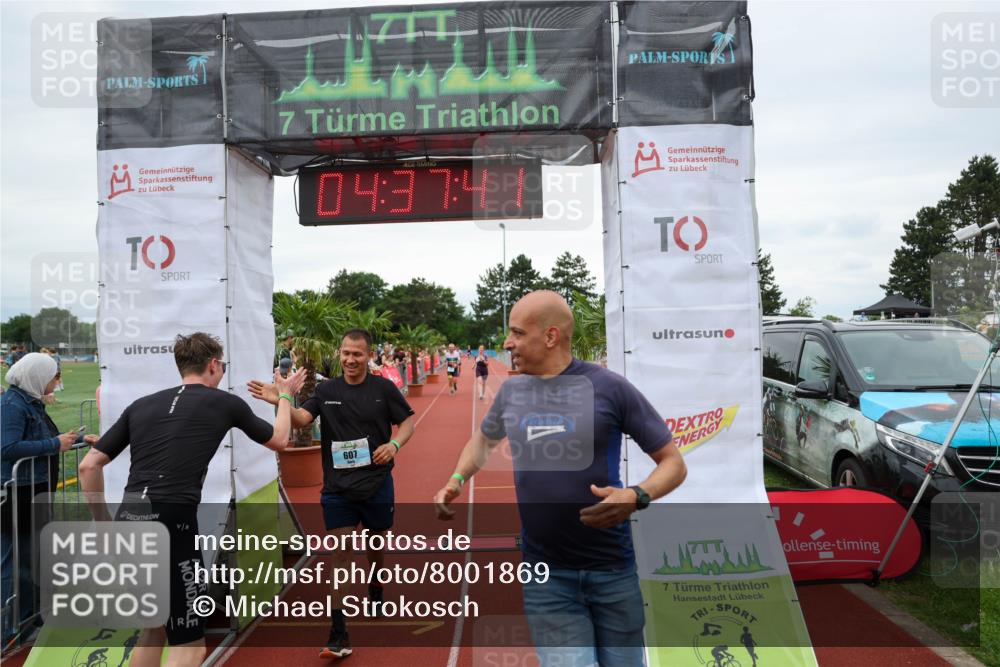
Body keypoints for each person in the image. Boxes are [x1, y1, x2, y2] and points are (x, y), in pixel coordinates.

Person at [433, 291, 687, 667]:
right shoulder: (513, 391)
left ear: (550, 336)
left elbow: (673, 463)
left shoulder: (609, 388)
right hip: (546, 577)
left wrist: (637, 495)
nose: (508, 343)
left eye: (517, 333)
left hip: (612, 572)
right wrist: (457, 477)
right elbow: (484, 440)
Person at [78, 333, 305, 667]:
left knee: (153, 628)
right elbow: (281, 440)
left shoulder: (141, 405)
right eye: (223, 366)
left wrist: (103, 525)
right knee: (190, 647)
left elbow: (88, 465)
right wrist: (285, 396)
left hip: (130, 518)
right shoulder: (225, 402)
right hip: (172, 522)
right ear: (213, 365)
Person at [248, 328, 416, 660]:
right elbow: (300, 420)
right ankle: (338, 632)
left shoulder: (383, 389)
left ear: (369, 355)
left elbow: (408, 421)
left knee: (375, 542)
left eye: (358, 354)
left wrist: (393, 444)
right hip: (338, 488)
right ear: (339, 354)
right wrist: (281, 400)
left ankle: (376, 584)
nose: (351, 359)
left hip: (377, 482)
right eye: (345, 353)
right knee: (340, 555)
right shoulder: (327, 390)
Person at [2, 353, 98, 646]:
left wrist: (78, 441)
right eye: (54, 378)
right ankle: (10, 628)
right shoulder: (12, 406)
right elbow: (7, 447)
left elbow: (47, 442)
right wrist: (55, 444)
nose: (56, 384)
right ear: (37, 376)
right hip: (16, 491)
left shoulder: (31, 403)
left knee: (32, 556)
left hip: (34, 488)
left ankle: (31, 617)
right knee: (13, 560)